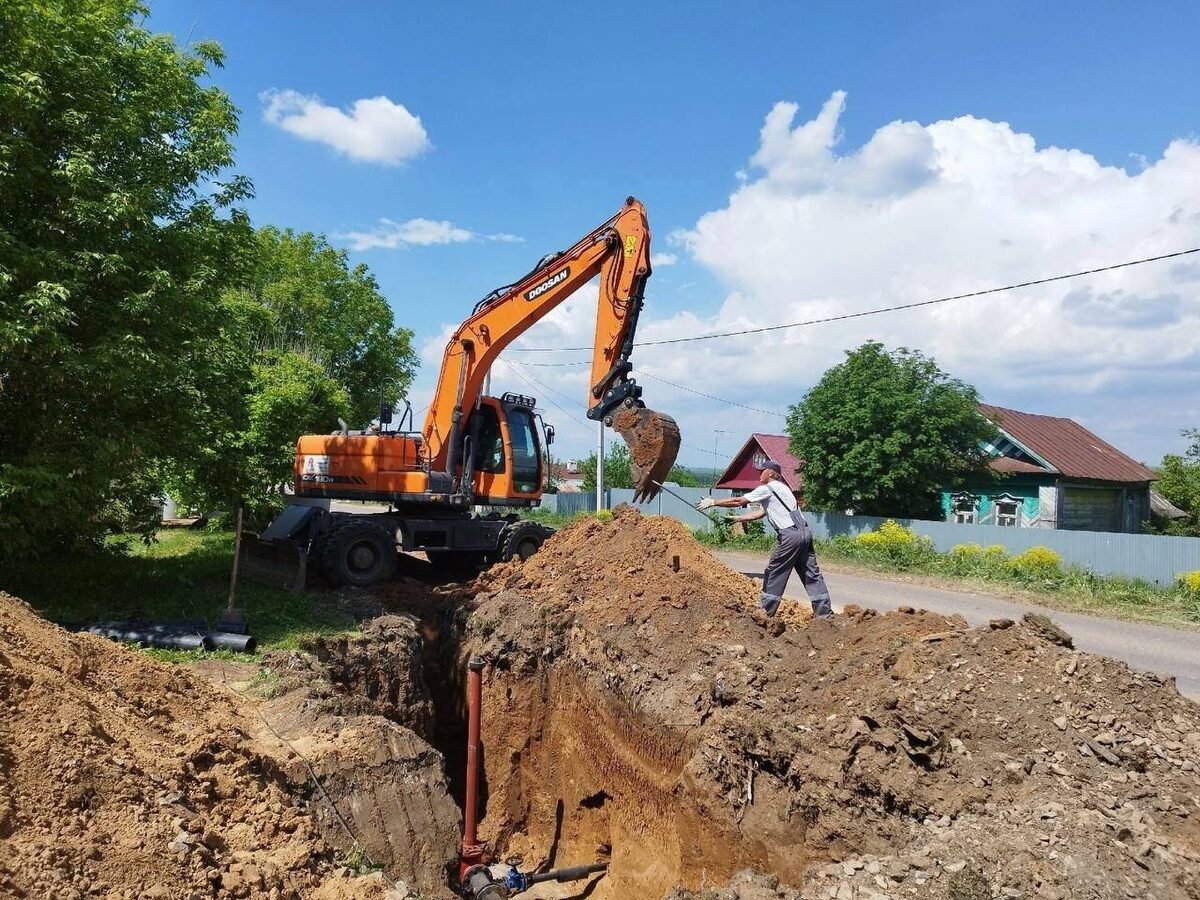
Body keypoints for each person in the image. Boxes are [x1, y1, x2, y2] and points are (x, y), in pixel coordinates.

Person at [698, 461, 833, 619]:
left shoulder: (766, 489)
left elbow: (739, 501)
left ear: (770, 473)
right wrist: (738, 518)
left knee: (775, 571)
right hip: (804, 532)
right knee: (811, 573)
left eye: (762, 471)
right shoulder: (785, 489)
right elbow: (761, 513)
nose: (759, 474)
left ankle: (764, 614)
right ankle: (824, 615)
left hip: (789, 536)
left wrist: (713, 502)